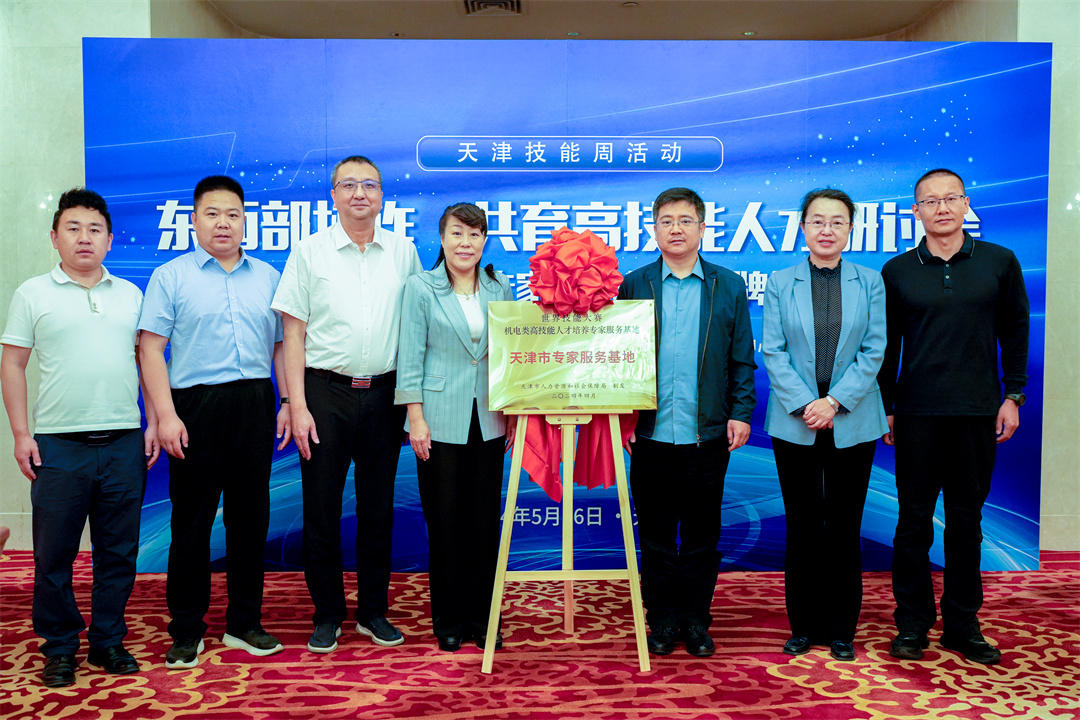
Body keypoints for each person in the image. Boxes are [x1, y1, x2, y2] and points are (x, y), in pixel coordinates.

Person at [1, 188, 159, 687]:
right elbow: (13, 364)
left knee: (119, 552)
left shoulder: (131, 295)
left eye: (94, 229)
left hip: (123, 442)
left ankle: (108, 641)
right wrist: (21, 434)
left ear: (110, 240)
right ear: (55, 237)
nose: (84, 238)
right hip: (58, 445)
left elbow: (148, 363)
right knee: (54, 555)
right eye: (73, 228)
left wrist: (155, 421)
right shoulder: (32, 293)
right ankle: (60, 647)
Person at [272, 155, 423, 653]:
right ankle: (328, 614)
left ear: (381, 196)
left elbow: (417, 325)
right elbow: (292, 335)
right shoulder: (309, 251)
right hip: (324, 393)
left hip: (384, 394)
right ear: (333, 195)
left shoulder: (403, 251)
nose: (360, 193)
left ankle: (373, 611)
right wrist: (296, 404)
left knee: (378, 508)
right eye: (349, 185)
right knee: (321, 508)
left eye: (370, 185)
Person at [139, 175, 291, 669]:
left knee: (251, 518)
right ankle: (187, 629)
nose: (223, 223)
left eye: (232, 215)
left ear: (245, 221)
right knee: (192, 520)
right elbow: (150, 349)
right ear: (194, 220)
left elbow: (281, 346)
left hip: (255, 402)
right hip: (194, 406)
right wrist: (166, 415)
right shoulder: (171, 276)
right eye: (212, 213)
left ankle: (245, 623)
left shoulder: (267, 275)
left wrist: (287, 400)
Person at [879, 168, 1029, 665]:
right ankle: (912, 624)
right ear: (915, 211)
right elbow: (887, 347)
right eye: (930, 201)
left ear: (966, 204)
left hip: (977, 412)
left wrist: (1013, 395)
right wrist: (887, 408)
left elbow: (1015, 331)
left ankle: (963, 624)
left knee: (966, 522)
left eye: (951, 199)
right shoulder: (897, 271)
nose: (941, 208)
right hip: (916, 414)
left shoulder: (999, 262)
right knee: (912, 523)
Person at [616, 187, 757, 657]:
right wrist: (625, 419)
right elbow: (617, 358)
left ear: (702, 227)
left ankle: (695, 619)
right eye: (666, 221)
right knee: (655, 536)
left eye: (685, 220)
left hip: (707, 433)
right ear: (654, 229)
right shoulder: (635, 284)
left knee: (701, 535)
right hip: (650, 435)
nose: (675, 229)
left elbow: (742, 358)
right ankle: (661, 620)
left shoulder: (727, 285)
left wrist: (740, 412)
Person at [762, 188, 888, 661]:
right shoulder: (780, 282)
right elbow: (773, 350)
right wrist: (806, 405)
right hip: (795, 422)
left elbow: (875, 349)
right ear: (803, 228)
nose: (827, 230)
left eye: (837, 221)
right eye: (818, 221)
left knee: (844, 523)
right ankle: (803, 625)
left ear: (851, 228)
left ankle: (840, 629)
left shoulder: (870, 282)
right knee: (802, 523)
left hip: (852, 420)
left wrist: (834, 402)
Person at [395, 203, 514, 652]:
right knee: (444, 522)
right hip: (437, 419)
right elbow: (410, 355)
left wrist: (512, 413)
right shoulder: (421, 287)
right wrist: (415, 418)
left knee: (484, 524)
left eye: (475, 234)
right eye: (457, 233)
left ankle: (483, 619)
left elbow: (510, 355)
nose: (466, 243)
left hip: (490, 419)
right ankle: (448, 619)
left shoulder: (499, 287)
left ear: (485, 241)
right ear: (442, 239)